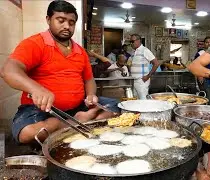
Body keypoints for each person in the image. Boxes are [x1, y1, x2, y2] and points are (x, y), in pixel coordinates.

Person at [0, 0, 119, 144]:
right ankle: (75, 122)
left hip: (79, 106)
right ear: (48, 20)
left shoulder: (80, 51)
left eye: (71, 22)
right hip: (42, 111)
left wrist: (91, 95)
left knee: (116, 107)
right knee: (26, 133)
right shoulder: (35, 43)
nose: (66, 26)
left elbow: (89, 80)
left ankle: (75, 122)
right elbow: (8, 70)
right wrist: (36, 89)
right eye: (61, 20)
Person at [129, 34, 160, 99]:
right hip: (133, 81)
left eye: (132, 41)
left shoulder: (145, 50)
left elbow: (156, 63)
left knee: (143, 101)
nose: (131, 43)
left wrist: (147, 76)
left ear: (138, 41)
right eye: (130, 42)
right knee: (135, 101)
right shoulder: (133, 52)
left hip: (141, 81)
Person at [194, 36, 210, 105]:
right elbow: (195, 65)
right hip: (203, 77)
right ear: (204, 44)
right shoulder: (200, 53)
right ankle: (204, 110)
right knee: (205, 95)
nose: (209, 44)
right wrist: (199, 76)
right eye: (207, 42)